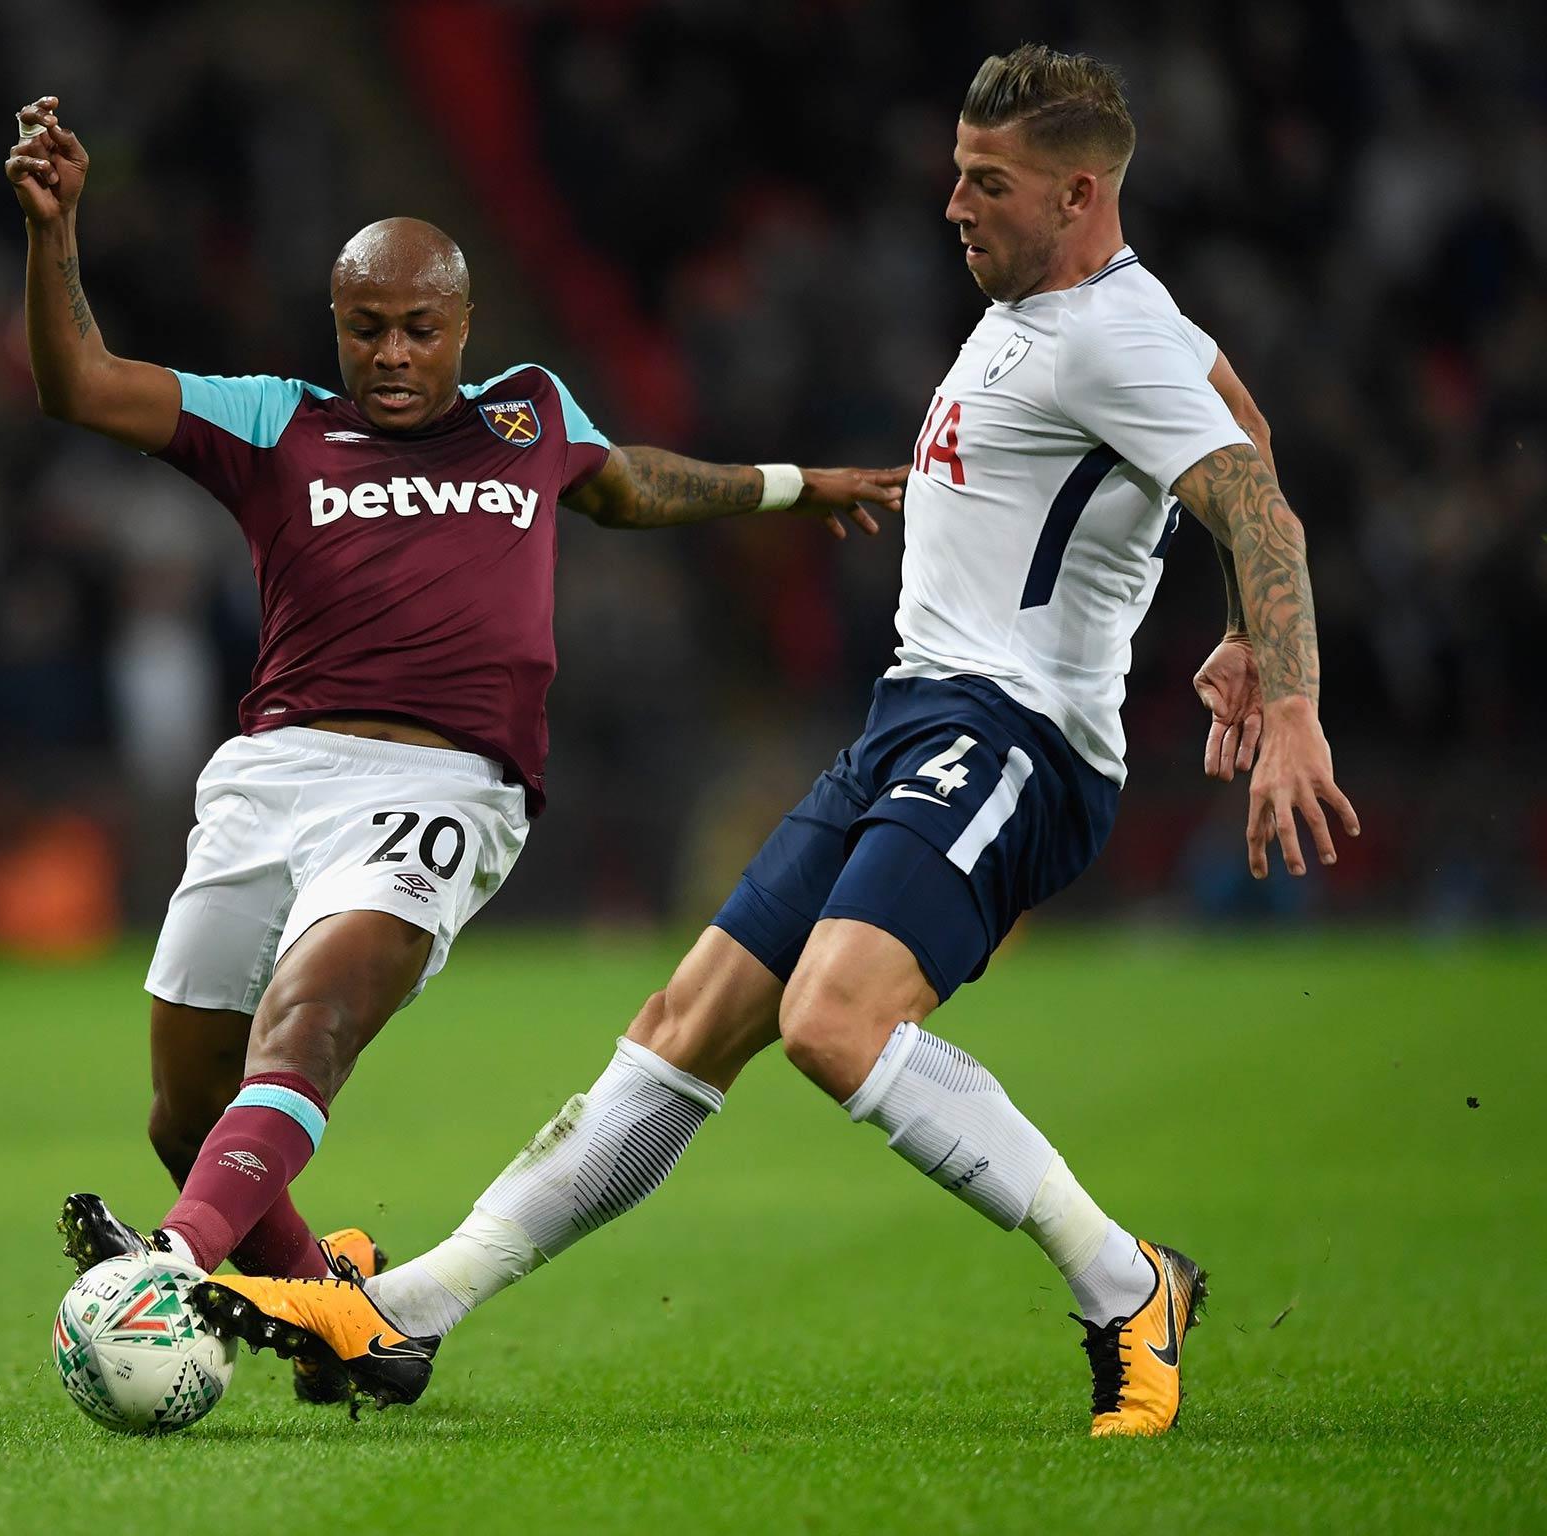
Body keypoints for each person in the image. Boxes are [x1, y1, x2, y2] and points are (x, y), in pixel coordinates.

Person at [183, 44, 1359, 1435]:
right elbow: (1244, 431)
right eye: (956, 174)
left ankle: (1126, 1284)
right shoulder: (1053, 308)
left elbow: (1260, 505)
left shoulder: (1116, 333)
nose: (954, 205)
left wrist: (1290, 699)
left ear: (1081, 194)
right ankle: (406, 1317)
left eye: (990, 182)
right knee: (683, 1029)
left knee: (835, 1022)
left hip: (1019, 742)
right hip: (915, 720)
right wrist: (1232, 617)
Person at [2, 98, 907, 1401]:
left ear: (464, 327)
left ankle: (174, 1270)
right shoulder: (274, 423)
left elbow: (635, 484)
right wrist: (56, 236)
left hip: (443, 787)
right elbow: (76, 384)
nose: (391, 353)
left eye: (418, 327)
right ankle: (350, 1329)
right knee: (184, 1114)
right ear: (336, 325)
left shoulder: (529, 420)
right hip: (270, 779)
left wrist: (792, 483)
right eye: (366, 327)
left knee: (307, 1025)